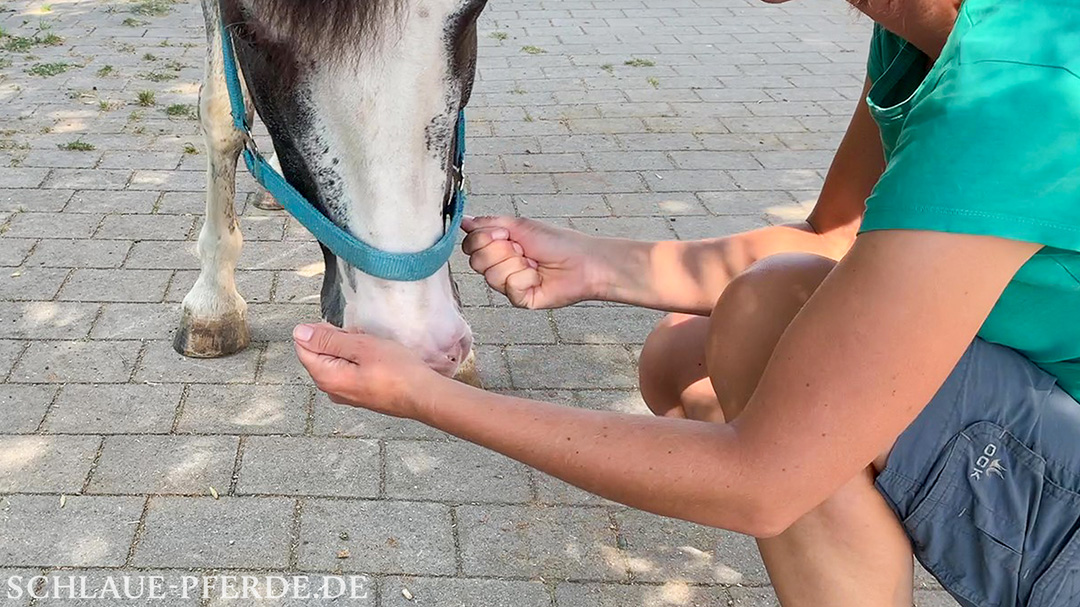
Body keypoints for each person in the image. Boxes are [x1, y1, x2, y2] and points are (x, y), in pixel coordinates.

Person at [292, 0, 1080, 603]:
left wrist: (425, 397)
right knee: (685, 357)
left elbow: (762, 480)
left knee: (769, 332)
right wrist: (597, 266)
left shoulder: (1018, 87)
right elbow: (836, 240)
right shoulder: (923, 34)